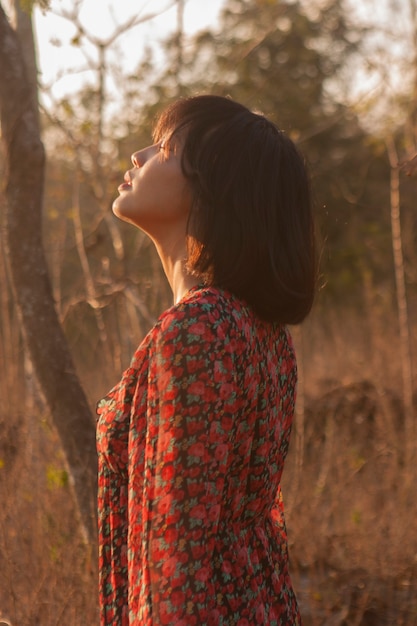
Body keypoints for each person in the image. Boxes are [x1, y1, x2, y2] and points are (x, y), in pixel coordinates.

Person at [96, 94, 316, 625]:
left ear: (211, 189)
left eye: (167, 147)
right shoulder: (260, 331)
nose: (140, 155)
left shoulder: (195, 334)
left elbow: (175, 554)